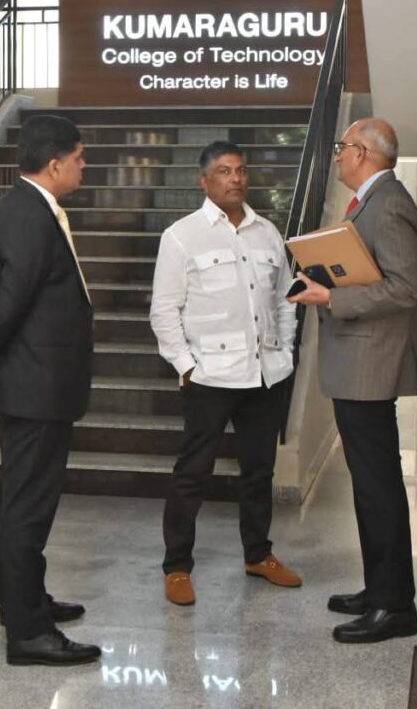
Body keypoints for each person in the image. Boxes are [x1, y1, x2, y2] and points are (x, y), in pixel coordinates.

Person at [0, 114, 101, 666]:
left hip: (36, 382)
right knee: (26, 508)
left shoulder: (27, 207)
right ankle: (29, 633)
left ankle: (28, 600)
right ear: (54, 164)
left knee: (22, 502)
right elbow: (10, 305)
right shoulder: (29, 214)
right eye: (78, 157)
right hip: (36, 386)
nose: (84, 165)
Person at [289, 118, 417, 644]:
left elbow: (405, 288)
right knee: (369, 488)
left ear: (363, 152)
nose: (338, 155)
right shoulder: (370, 201)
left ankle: (395, 607)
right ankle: (379, 590)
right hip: (357, 363)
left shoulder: (388, 203)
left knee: (378, 488)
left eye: (343, 147)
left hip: (371, 366)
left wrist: (331, 297)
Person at [150, 139, 301, 606]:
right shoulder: (181, 236)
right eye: (224, 171)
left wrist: (285, 351)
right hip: (210, 378)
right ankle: (177, 567)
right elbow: (164, 311)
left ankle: (258, 554)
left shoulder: (268, 233)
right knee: (192, 473)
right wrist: (186, 366)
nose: (235, 178)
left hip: (265, 375)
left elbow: (285, 299)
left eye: (240, 170)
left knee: (259, 471)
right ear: (204, 181)